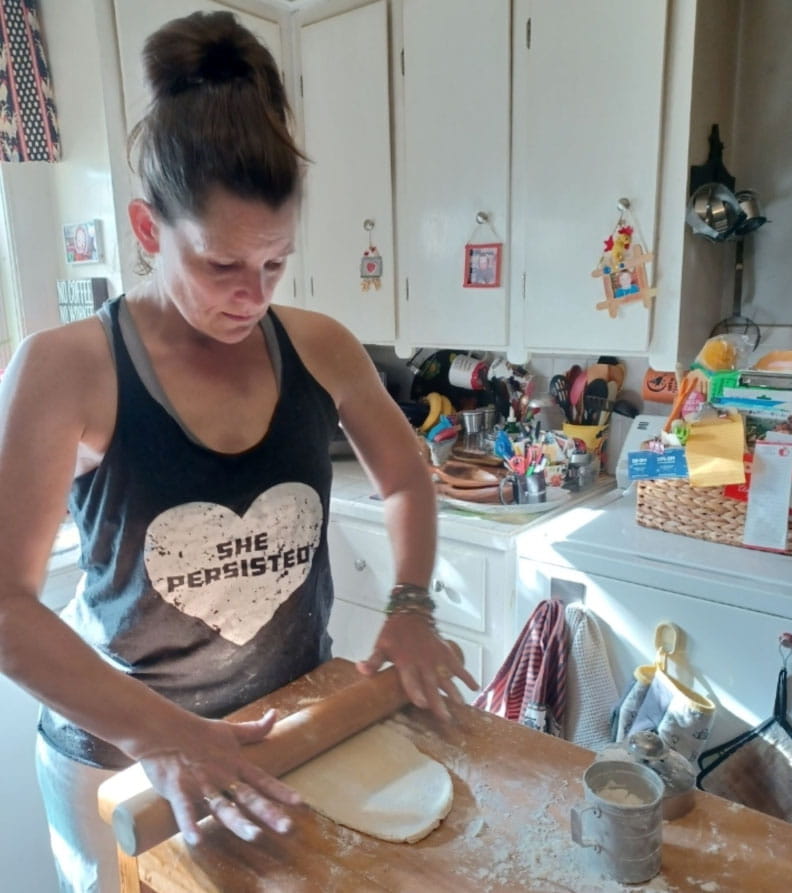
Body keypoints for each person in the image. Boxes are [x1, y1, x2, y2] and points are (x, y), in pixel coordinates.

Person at [0, 11, 476, 892]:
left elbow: (406, 473)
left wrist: (412, 601)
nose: (250, 296)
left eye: (275, 264)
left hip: (288, 732)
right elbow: (5, 605)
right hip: (122, 768)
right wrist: (160, 731)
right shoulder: (66, 369)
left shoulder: (320, 346)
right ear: (149, 231)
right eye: (221, 264)